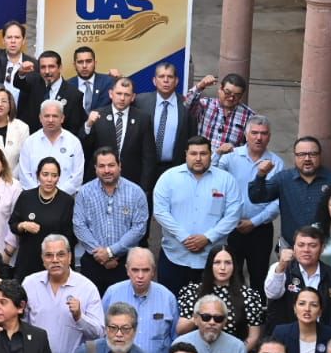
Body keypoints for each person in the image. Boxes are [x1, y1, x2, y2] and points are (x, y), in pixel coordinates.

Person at [153, 136, 243, 291]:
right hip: (174, 257)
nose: (198, 158)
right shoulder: (169, 178)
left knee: (210, 305)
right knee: (171, 303)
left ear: (211, 154)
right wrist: (184, 237)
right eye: (193, 153)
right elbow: (160, 212)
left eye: (203, 153)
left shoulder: (226, 180)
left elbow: (233, 215)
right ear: (186, 154)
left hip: (212, 260)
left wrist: (208, 238)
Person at [215, 115, 284, 291]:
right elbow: (212, 179)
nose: (259, 138)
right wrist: (217, 154)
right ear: (246, 135)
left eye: (264, 133)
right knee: (230, 276)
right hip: (231, 226)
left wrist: (254, 222)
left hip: (260, 229)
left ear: (269, 136)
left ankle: (257, 309)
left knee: (259, 277)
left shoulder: (276, 163)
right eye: (254, 133)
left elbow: (278, 201)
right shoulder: (231, 156)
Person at [248, 136, 331, 251]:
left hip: (327, 250)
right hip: (291, 249)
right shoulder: (283, 179)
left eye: (313, 154)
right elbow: (256, 197)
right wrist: (261, 175)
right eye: (301, 154)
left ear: (320, 155)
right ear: (295, 156)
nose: (307, 158)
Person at [21, 234, 104, 353]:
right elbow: (21, 325)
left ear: (70, 257)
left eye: (60, 255)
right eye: (49, 255)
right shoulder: (30, 284)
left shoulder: (87, 288)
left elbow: (98, 334)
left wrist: (79, 317)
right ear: (42, 259)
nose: (55, 260)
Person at [72, 149, 150, 290]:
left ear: (120, 166)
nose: (107, 170)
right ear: (95, 168)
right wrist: (100, 255)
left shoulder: (136, 192)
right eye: (102, 166)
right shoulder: (84, 192)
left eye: (111, 165)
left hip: (125, 263)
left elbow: (139, 228)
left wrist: (110, 252)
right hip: (93, 261)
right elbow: (79, 225)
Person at [176, 244, 266, 352]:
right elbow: (181, 330)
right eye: (217, 262)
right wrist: (202, 315)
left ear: (234, 266)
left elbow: (253, 337)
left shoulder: (249, 295)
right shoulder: (193, 291)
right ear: (210, 265)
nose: (222, 267)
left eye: (227, 263)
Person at [262, 226, 331, 335]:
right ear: (294, 248)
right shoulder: (279, 268)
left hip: (323, 340)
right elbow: (272, 294)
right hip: (284, 339)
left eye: (312, 245)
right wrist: (281, 266)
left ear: (322, 248)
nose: (306, 250)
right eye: (301, 245)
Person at [100, 248, 179, 353]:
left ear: (153, 271)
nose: (140, 276)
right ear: (127, 270)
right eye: (135, 270)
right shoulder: (112, 294)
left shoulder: (167, 298)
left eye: (146, 270)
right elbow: (101, 331)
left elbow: (175, 338)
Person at [81, 79, 157, 194]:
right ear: (111, 94)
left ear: (133, 97)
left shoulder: (143, 119)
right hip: (100, 182)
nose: (122, 98)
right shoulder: (97, 115)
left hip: (131, 184)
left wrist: (144, 188)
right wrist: (88, 125)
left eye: (127, 95)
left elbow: (149, 157)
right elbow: (84, 147)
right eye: (119, 93)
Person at [8, 157, 75, 281]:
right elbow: (13, 224)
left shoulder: (67, 201)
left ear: (58, 178)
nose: (49, 179)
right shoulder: (26, 197)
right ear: (38, 175)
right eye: (45, 174)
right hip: (28, 260)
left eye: (54, 175)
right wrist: (22, 225)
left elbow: (70, 237)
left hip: (55, 261)